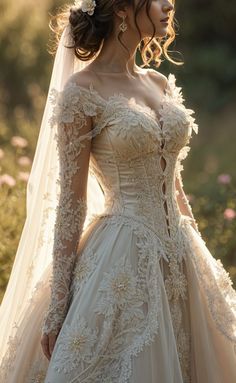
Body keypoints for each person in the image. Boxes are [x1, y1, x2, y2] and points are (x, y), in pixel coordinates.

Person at [0, 0, 236, 382]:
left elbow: (173, 186)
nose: (169, 4)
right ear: (124, 10)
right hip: (122, 255)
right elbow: (72, 202)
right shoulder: (81, 91)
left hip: (180, 254)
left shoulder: (158, 83)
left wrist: (198, 252)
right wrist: (58, 304)